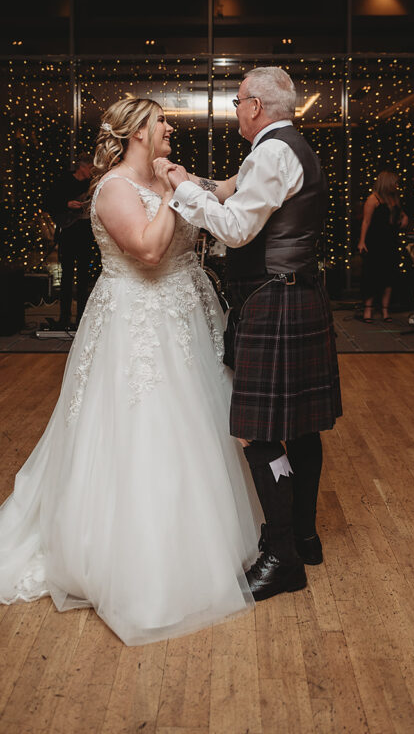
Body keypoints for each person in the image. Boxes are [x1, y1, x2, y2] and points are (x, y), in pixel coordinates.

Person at [0, 97, 262, 646]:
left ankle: (197, 542)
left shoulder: (174, 175)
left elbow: (222, 192)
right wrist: (173, 194)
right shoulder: (114, 189)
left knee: (194, 429)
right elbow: (147, 251)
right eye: (161, 121)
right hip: (137, 324)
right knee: (145, 429)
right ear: (135, 134)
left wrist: (261, 158)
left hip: (183, 322)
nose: (171, 127)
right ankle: (133, 563)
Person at [165, 67, 342, 603]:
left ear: (256, 107)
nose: (236, 108)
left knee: (256, 430)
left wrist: (179, 191)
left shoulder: (270, 153)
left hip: (274, 301)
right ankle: (304, 538)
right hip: (296, 294)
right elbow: (228, 190)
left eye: (238, 99)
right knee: (303, 428)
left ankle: (282, 557)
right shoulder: (289, 147)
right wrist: (190, 180)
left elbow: (236, 226)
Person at [44, 152, 94, 330]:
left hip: (85, 232)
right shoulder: (63, 181)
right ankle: (64, 318)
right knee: (66, 278)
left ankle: (81, 319)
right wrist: (67, 204)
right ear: (82, 167)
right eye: (90, 168)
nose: (92, 172)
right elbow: (48, 202)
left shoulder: (91, 185)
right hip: (68, 231)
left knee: (83, 278)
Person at [357, 171, 408, 322]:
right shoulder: (373, 199)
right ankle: (368, 309)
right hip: (376, 241)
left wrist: (405, 217)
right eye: (394, 183)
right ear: (387, 183)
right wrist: (362, 241)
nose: (397, 186)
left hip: (390, 241)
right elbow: (366, 221)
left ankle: (385, 310)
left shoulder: (394, 199)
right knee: (372, 275)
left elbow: (400, 214)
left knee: (389, 276)